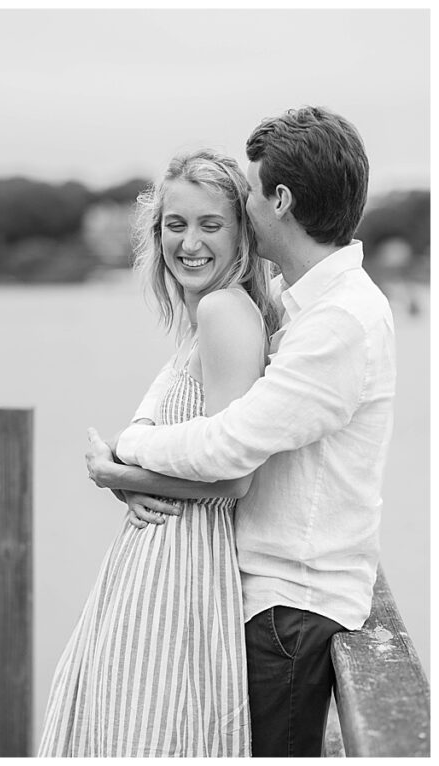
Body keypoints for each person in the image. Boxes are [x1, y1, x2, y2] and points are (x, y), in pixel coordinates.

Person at [89, 107, 395, 757]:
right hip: (262, 595)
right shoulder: (298, 302)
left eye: (247, 195)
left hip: (292, 606)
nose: (243, 205)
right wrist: (130, 464)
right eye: (177, 224)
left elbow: (228, 451)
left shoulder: (337, 321)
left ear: (279, 199)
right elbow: (202, 416)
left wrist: (123, 456)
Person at [38, 149, 278, 757]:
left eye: (210, 224)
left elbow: (235, 479)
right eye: (176, 225)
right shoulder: (206, 320)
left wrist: (116, 472)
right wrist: (127, 479)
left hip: (182, 569)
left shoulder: (226, 312)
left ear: (242, 233)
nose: (189, 243)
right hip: (158, 567)